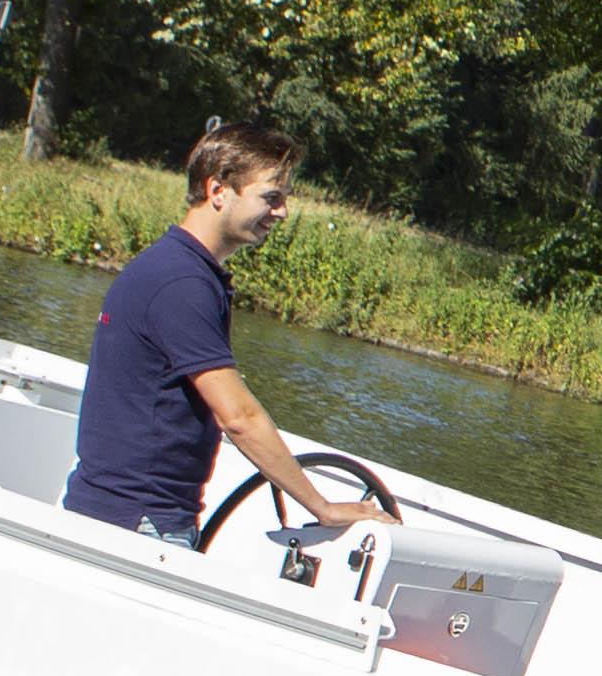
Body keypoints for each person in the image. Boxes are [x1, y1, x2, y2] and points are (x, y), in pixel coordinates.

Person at [62, 124, 388, 541]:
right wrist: (322, 507)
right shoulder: (182, 283)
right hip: (138, 522)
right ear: (218, 190)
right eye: (271, 197)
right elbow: (239, 418)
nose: (283, 211)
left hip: (112, 512)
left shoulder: (170, 267)